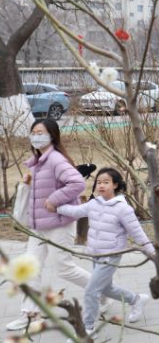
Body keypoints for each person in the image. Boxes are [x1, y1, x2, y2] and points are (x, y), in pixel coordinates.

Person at [6, 119, 94, 332]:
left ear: (52, 136)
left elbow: (77, 183)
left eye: (40, 132)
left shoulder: (55, 159)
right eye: (33, 132)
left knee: (64, 269)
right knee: (30, 269)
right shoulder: (37, 162)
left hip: (59, 225)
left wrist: (54, 199)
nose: (35, 136)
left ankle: (102, 290)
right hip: (39, 226)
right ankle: (31, 315)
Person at [54, 168, 153, 334]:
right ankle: (136, 300)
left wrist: (153, 253)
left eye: (106, 182)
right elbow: (76, 211)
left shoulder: (123, 209)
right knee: (107, 289)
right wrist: (56, 207)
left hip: (111, 256)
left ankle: (87, 328)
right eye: (99, 182)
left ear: (115, 185)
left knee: (91, 290)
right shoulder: (94, 203)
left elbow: (138, 233)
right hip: (96, 254)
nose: (101, 185)